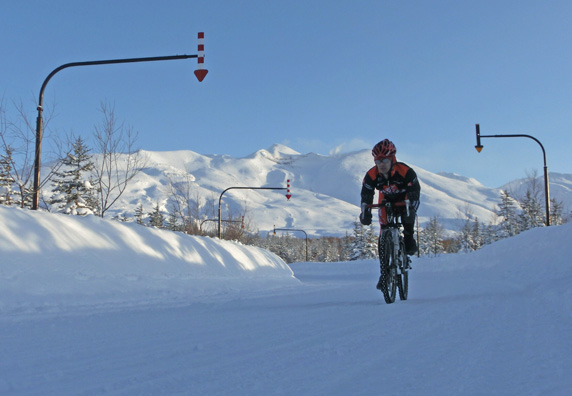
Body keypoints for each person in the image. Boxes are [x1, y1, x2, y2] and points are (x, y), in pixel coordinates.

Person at [359, 139, 420, 257]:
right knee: (384, 225)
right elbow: (366, 195)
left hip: (404, 197)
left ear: (392, 159)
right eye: (378, 161)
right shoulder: (371, 175)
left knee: (408, 215)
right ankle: (385, 266)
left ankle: (408, 238)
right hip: (386, 198)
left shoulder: (406, 172)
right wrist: (365, 212)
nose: (381, 164)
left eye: (385, 160)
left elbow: (415, 193)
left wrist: (411, 210)